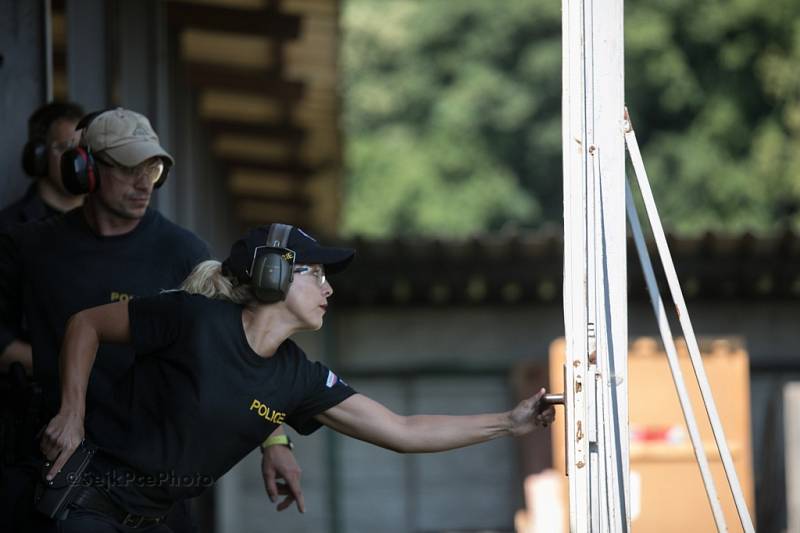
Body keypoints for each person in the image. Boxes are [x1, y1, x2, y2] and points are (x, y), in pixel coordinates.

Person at [39, 223, 556, 532]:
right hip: (86, 504)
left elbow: (404, 430)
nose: (328, 289)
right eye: (317, 274)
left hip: (154, 519)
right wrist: (71, 411)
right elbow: (84, 324)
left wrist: (509, 423)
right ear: (273, 273)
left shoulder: (299, 378)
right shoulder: (192, 319)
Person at [0, 109, 303, 532]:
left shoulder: (184, 253)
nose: (144, 184)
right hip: (55, 473)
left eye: (153, 169)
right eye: (128, 169)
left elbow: (244, 345)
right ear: (84, 167)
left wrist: (274, 441)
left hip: (153, 483)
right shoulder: (31, 247)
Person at [0, 101, 85, 373]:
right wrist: (71, 367)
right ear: (37, 156)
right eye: (63, 148)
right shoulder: (10, 229)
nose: (76, 159)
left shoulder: (109, 225)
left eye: (83, 149)